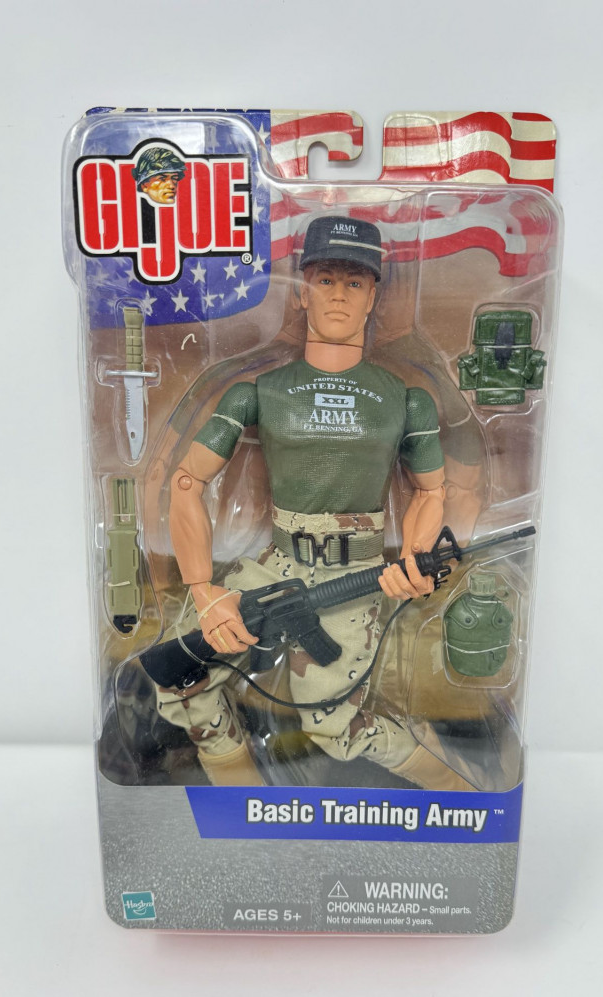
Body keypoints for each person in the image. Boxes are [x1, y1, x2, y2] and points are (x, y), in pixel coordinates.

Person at [154, 215, 475, 790]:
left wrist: (413, 563)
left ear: (374, 296)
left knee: (333, 727)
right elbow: (186, 482)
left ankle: (456, 788)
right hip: (276, 566)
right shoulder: (258, 392)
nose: (339, 295)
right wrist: (203, 591)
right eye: (325, 280)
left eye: (355, 282)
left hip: (354, 577)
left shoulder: (406, 401)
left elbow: (431, 492)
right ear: (302, 291)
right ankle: (243, 799)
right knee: (180, 678)